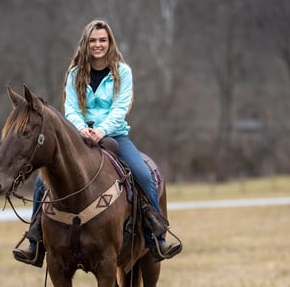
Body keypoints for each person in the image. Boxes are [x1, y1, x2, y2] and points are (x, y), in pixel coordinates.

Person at [13, 19, 182, 267]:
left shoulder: (122, 72)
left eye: (102, 40)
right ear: (86, 43)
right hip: (79, 137)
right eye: (93, 40)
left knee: (143, 174)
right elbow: (70, 107)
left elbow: (121, 107)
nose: (98, 45)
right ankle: (35, 241)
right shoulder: (74, 73)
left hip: (114, 135)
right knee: (42, 180)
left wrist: (101, 131)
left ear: (110, 42)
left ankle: (156, 236)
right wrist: (81, 130)